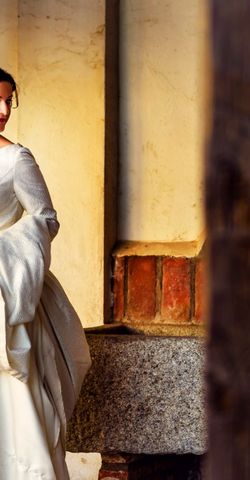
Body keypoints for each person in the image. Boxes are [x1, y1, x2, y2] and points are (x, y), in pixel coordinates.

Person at [0, 68, 91, 478]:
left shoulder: (16, 159)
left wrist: (5, 253)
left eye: (9, 100)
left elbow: (46, 219)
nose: (4, 110)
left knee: (16, 396)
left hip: (10, 288)